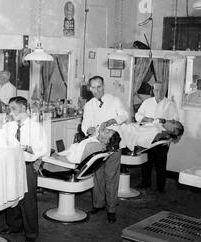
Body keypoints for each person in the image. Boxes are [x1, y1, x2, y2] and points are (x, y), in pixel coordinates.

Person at [0, 96, 49, 242]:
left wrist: (26, 147)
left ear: (22, 108)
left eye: (13, 109)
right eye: (9, 109)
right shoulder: (8, 126)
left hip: (27, 165)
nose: (10, 112)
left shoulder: (36, 127)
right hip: (11, 164)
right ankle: (14, 226)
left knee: (28, 200)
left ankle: (31, 232)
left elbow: (43, 150)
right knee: (11, 196)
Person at [81, 75, 129, 223]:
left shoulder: (114, 100)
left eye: (99, 87)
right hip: (97, 143)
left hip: (113, 143)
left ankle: (111, 209)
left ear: (104, 86)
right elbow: (84, 125)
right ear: (90, 88)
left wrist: (111, 121)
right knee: (97, 175)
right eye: (93, 88)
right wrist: (88, 129)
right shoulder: (89, 105)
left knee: (111, 176)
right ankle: (98, 204)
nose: (97, 90)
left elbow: (124, 115)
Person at [134, 82, 179, 193]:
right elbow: (137, 116)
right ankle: (145, 183)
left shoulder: (169, 104)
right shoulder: (147, 102)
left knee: (160, 163)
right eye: (155, 90)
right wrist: (146, 119)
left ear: (164, 90)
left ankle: (160, 187)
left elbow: (175, 121)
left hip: (161, 137)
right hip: (146, 136)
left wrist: (165, 126)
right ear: (152, 90)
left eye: (160, 90)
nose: (158, 92)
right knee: (146, 162)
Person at [42, 126, 121, 178]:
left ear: (105, 141)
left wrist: (57, 156)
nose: (106, 129)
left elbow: (72, 160)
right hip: (81, 170)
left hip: (66, 167)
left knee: (40, 159)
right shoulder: (99, 145)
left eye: (107, 132)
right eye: (109, 130)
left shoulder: (91, 146)